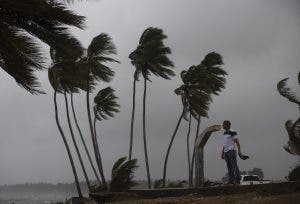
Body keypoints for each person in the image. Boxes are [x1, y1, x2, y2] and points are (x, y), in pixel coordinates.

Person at [221, 120, 242, 184]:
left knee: (234, 165)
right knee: (229, 166)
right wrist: (222, 153)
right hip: (226, 151)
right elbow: (225, 144)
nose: (223, 125)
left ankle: (238, 179)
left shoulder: (232, 131)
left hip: (231, 151)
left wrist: (239, 151)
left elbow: (237, 141)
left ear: (227, 125)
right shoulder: (224, 133)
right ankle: (231, 180)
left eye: (224, 124)